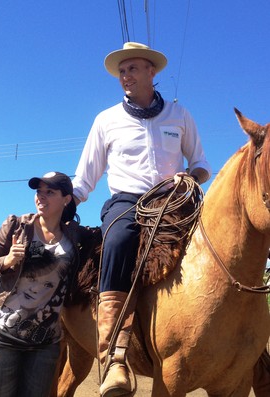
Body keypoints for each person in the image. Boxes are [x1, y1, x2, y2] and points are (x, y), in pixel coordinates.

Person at [72, 42, 212, 397]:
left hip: (176, 200)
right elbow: (86, 176)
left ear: (152, 72)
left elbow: (200, 162)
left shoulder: (179, 115)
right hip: (127, 202)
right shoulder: (106, 119)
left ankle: (251, 349)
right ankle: (114, 356)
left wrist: (191, 177)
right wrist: (66, 203)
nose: (125, 76)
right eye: (122, 71)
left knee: (222, 242)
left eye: (132, 69)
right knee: (118, 240)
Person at [0, 171, 80, 397]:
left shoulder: (74, 236)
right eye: (38, 191)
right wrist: (7, 260)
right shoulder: (17, 225)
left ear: (66, 199)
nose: (40, 197)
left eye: (49, 192)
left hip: (45, 345)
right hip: (0, 338)